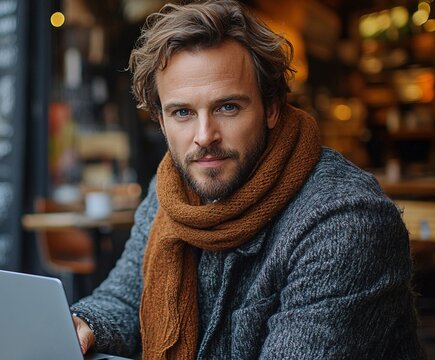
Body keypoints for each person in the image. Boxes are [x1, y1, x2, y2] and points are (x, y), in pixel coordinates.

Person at [69, 1, 425, 359]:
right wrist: (85, 325)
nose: (204, 136)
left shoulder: (346, 221)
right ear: (161, 121)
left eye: (228, 107)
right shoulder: (172, 192)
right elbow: (126, 298)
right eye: (183, 112)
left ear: (271, 107)